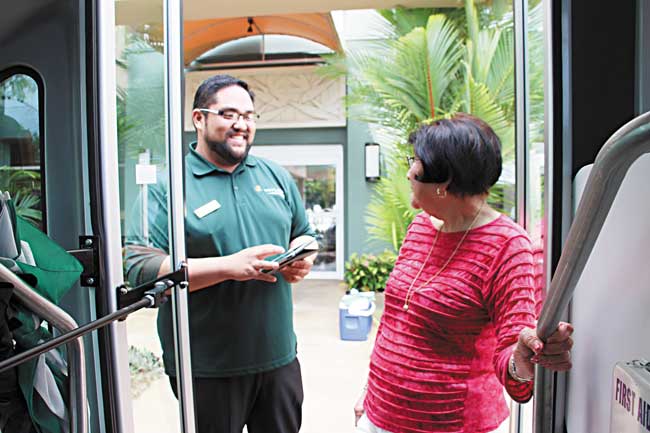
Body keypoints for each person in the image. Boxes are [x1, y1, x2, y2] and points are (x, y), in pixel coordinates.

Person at [353, 114, 573, 433]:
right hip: (381, 416)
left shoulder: (507, 245)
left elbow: (513, 348)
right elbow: (395, 324)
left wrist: (522, 360)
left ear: (443, 181)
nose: (408, 171)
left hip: (452, 426)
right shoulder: (420, 228)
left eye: (415, 162)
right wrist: (369, 390)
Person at [125, 74, 316, 433]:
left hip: (278, 360)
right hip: (205, 368)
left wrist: (302, 260)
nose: (241, 125)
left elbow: (304, 234)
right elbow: (140, 265)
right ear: (199, 119)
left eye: (248, 115)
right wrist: (228, 267)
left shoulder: (275, 175)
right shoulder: (168, 186)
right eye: (228, 114)